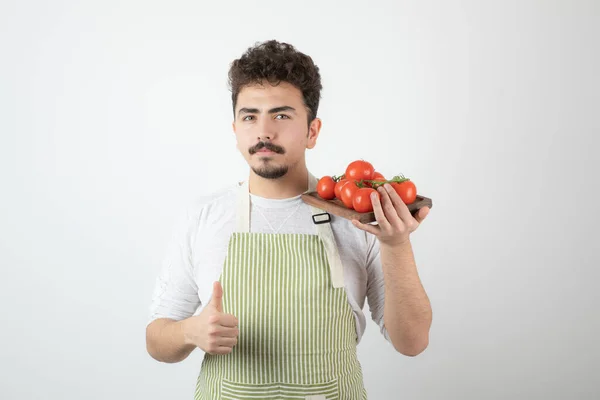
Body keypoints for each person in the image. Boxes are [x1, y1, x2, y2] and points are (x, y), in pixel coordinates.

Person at [145, 39, 432, 400]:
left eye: (281, 115)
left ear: (312, 131)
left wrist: (396, 243)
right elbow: (156, 339)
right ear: (235, 130)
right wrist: (190, 332)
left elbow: (413, 342)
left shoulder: (357, 219)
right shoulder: (204, 216)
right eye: (250, 116)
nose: (264, 131)